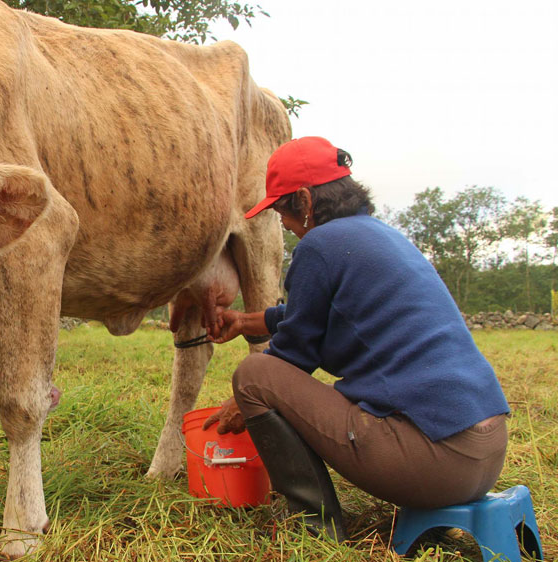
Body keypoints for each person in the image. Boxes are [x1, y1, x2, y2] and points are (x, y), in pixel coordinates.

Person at [201, 136, 509, 541]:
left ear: (305, 202)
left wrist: (240, 402)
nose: (285, 226)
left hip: (436, 464)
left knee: (254, 374)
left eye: (282, 212)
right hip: (484, 454)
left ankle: (312, 528)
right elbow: (307, 316)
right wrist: (245, 321)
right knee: (264, 376)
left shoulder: (319, 246)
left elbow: (290, 356)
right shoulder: (380, 237)